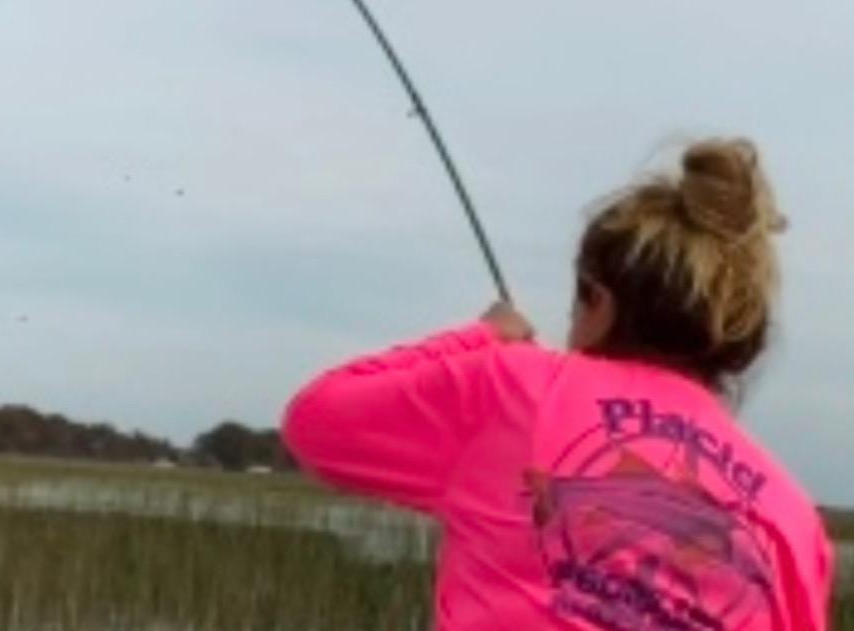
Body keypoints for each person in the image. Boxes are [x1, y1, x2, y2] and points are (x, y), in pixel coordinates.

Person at [282, 138, 834, 631]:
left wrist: (483, 337)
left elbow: (316, 422)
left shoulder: (513, 387)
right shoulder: (792, 519)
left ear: (598, 299)